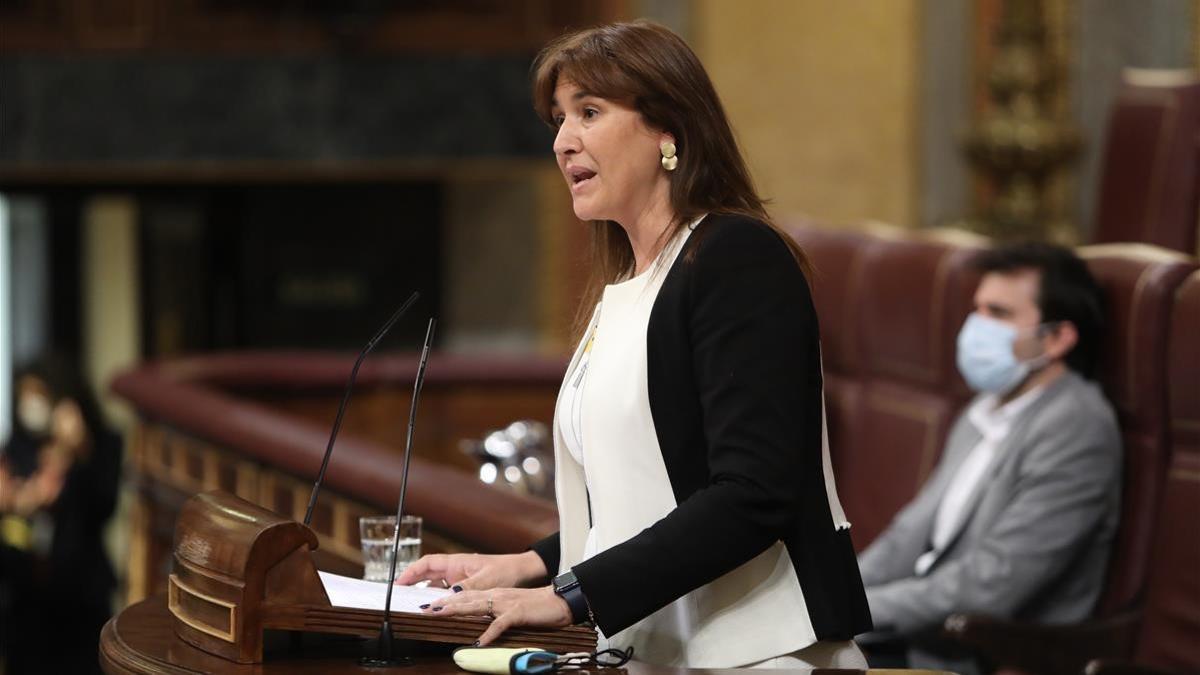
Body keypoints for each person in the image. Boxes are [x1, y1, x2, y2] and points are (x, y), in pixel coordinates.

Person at [395, 20, 872, 669]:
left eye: (589, 111)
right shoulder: (631, 284)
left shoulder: (735, 257)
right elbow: (652, 492)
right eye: (559, 118)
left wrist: (570, 595)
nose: (564, 141)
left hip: (757, 652)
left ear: (667, 129)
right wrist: (530, 562)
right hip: (653, 647)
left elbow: (756, 490)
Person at [856, 242, 1121, 674]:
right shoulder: (983, 409)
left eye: (999, 314)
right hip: (913, 632)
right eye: (977, 309)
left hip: (979, 655)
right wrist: (825, 598)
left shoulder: (1078, 428)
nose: (977, 326)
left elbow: (992, 583)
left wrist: (851, 612)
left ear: (1057, 338)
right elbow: (909, 535)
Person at [0, 356, 122, 675]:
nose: (30, 404)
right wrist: (22, 498)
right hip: (27, 601)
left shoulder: (101, 444)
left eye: (38, 394)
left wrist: (78, 452)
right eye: (24, 395)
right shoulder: (18, 445)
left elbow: (103, 507)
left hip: (81, 599)